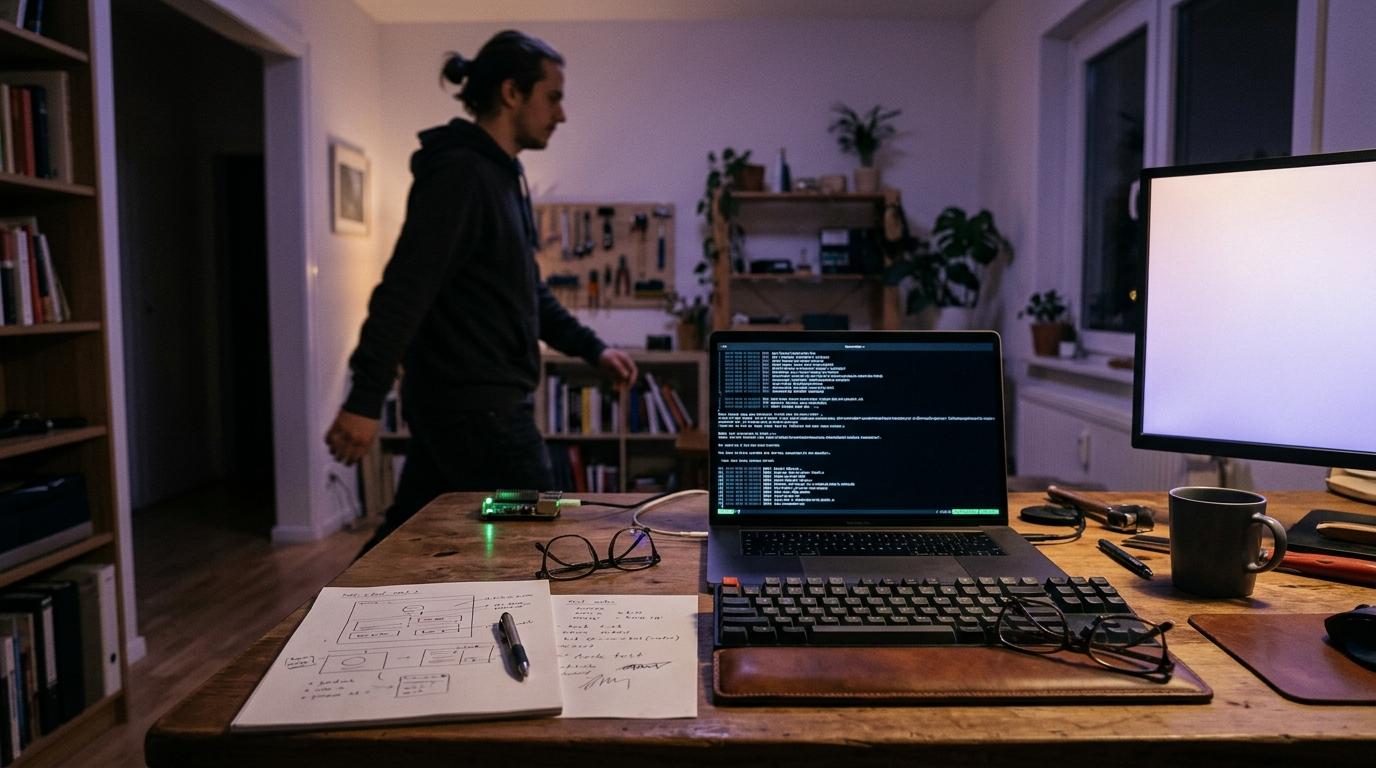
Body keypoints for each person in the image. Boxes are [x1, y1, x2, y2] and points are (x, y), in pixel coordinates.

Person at [325, 30, 637, 550]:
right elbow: (405, 289)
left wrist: (594, 349)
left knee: (408, 537)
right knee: (539, 544)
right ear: (512, 93)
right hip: (479, 409)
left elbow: (528, 294)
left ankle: (335, 621)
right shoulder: (461, 175)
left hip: (467, 405)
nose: (561, 115)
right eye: (553, 97)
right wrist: (364, 398)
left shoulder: (503, 177)